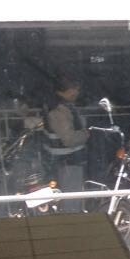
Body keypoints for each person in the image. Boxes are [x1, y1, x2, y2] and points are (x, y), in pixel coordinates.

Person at [44, 75, 90, 212]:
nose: (77, 92)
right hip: (67, 161)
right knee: (71, 201)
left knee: (71, 199)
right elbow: (69, 139)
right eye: (75, 89)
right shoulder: (59, 110)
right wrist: (86, 134)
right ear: (66, 90)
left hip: (66, 161)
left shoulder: (61, 106)